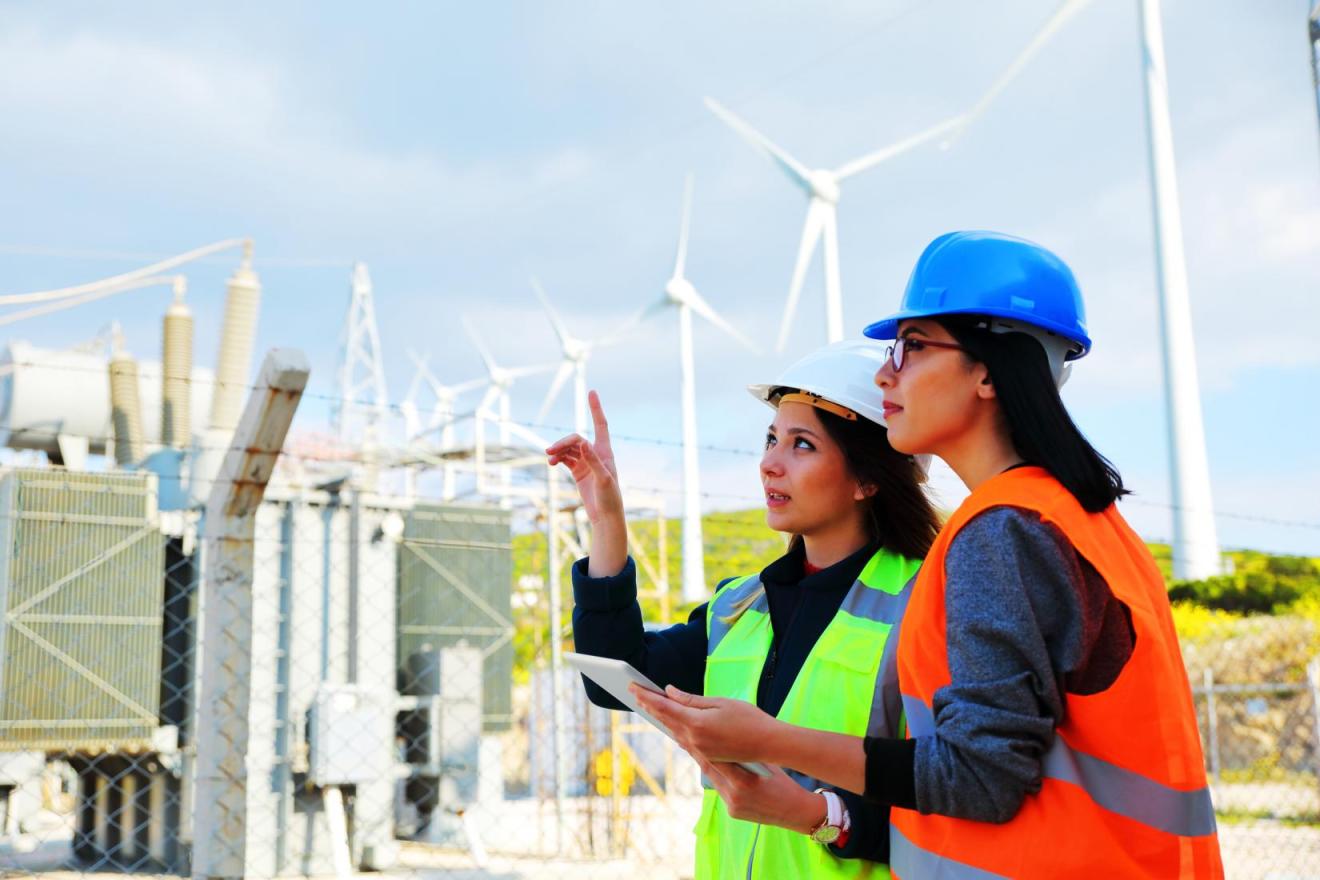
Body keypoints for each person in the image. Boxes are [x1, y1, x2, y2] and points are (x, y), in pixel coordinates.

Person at [634, 231, 1225, 878]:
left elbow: (980, 776)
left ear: (989, 373)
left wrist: (766, 739)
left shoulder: (1004, 531)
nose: (886, 372)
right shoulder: (1081, 519)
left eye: (913, 347)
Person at [546, 339, 941, 879]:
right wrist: (607, 523)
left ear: (868, 478)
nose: (769, 464)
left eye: (802, 445)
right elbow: (613, 677)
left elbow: (948, 798)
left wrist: (819, 817)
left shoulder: (925, 605)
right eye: (771, 438)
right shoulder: (738, 606)